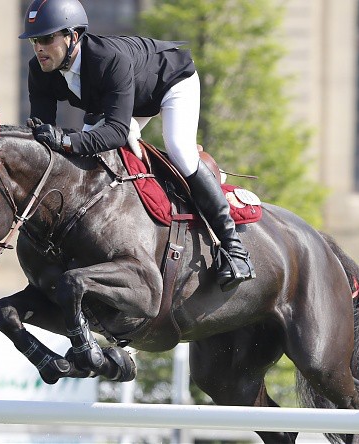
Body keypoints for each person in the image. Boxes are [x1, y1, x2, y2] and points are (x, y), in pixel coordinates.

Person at [18, 0, 256, 371]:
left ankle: (234, 249)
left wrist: (65, 141)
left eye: (46, 39)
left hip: (169, 82)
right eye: (33, 40)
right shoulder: (41, 70)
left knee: (180, 151)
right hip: (121, 101)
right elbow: (44, 137)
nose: (38, 48)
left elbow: (113, 132)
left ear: (72, 36)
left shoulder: (106, 59)